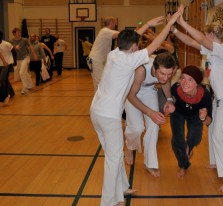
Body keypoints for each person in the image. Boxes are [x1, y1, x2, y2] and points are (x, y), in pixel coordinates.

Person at [90, 8, 183, 206]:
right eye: (137, 45)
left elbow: (133, 39)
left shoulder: (115, 54)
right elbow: (156, 44)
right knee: (113, 159)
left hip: (96, 112)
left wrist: (147, 25)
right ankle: (108, 202)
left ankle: (122, 187)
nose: (138, 47)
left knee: (113, 153)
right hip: (108, 116)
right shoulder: (130, 59)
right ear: (133, 48)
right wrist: (170, 23)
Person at [173, 5, 223, 192]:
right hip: (220, 98)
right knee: (212, 130)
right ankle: (217, 162)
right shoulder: (212, 52)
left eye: (206, 35)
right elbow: (192, 42)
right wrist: (175, 29)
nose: (204, 37)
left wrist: (183, 21)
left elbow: (199, 39)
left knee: (220, 135)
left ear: (212, 36)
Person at [124, 52, 177, 177]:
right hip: (131, 93)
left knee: (154, 126)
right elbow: (131, 96)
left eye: (169, 74)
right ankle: (129, 148)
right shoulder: (141, 70)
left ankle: (150, 163)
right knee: (137, 128)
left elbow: (165, 83)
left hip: (149, 91)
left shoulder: (168, 70)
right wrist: (150, 112)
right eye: (162, 74)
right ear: (154, 68)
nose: (165, 77)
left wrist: (169, 99)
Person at [164, 65, 212, 178]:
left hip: (195, 115)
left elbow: (209, 122)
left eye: (190, 80)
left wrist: (204, 117)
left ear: (197, 83)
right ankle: (183, 165)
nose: (185, 82)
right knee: (177, 140)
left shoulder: (205, 95)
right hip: (178, 113)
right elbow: (168, 102)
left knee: (195, 137)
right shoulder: (175, 89)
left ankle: (189, 147)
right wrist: (168, 106)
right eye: (183, 78)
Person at [87, 16, 119, 91]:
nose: (116, 24)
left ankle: (100, 101)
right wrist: (134, 32)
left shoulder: (107, 32)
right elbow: (121, 34)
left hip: (100, 61)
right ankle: (99, 102)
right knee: (101, 84)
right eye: (115, 22)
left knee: (103, 83)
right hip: (96, 60)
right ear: (111, 22)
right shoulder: (105, 31)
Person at [10, 27, 37, 94]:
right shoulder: (11, 41)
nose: (19, 34)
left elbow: (30, 47)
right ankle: (30, 85)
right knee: (24, 72)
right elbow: (10, 51)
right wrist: (15, 48)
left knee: (22, 72)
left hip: (25, 58)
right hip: (18, 59)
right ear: (14, 34)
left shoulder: (24, 40)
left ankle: (25, 88)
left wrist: (34, 55)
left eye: (20, 32)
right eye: (17, 33)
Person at [0, 31, 16, 98]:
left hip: (7, 63)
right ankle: (11, 93)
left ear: (0, 36)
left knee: (2, 79)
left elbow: (14, 51)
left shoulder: (6, 44)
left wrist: (15, 62)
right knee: (3, 79)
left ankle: (4, 94)